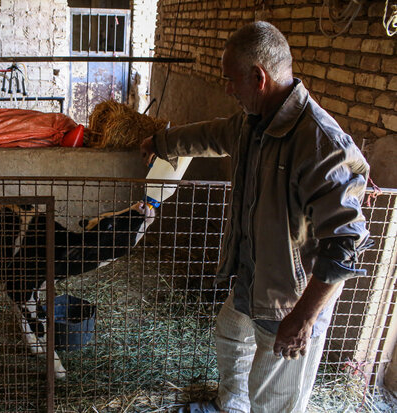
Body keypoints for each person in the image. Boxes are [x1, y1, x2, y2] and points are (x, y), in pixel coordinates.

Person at [140, 21, 371, 413]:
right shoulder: (253, 125)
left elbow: (346, 244)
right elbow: (209, 136)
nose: (227, 89)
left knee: (275, 399)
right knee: (229, 336)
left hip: (288, 299)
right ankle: (232, 406)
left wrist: (302, 319)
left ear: (258, 78)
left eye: (231, 80)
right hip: (252, 277)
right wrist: (160, 142)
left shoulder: (318, 144)